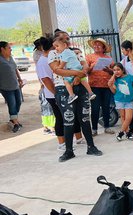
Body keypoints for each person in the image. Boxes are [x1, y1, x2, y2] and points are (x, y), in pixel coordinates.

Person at [49, 30, 102, 162]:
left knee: (84, 118)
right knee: (68, 120)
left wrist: (80, 75)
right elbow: (57, 70)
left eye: (68, 38)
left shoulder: (74, 52)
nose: (68, 40)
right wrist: (78, 74)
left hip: (80, 87)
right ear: (58, 40)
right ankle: (69, 151)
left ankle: (91, 146)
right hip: (63, 89)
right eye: (64, 38)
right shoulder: (53, 53)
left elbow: (84, 65)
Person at [36, 36, 85, 151]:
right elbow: (47, 81)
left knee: (72, 115)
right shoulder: (43, 62)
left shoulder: (59, 55)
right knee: (60, 118)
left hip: (66, 90)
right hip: (54, 95)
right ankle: (61, 143)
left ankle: (78, 138)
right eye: (56, 46)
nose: (58, 48)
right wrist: (57, 95)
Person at [52, 37, 95, 104]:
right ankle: (91, 93)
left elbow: (63, 63)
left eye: (57, 46)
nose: (56, 48)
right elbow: (74, 52)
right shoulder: (70, 51)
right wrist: (78, 51)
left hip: (72, 70)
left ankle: (72, 95)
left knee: (66, 82)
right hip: (79, 68)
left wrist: (59, 67)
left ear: (65, 45)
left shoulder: (64, 53)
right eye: (55, 47)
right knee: (83, 80)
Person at [86, 38, 115, 136]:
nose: (96, 46)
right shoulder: (89, 57)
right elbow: (86, 72)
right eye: (95, 45)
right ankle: (94, 129)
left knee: (106, 106)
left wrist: (108, 71)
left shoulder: (108, 58)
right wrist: (91, 67)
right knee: (95, 108)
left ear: (103, 47)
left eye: (99, 45)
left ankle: (107, 127)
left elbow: (114, 72)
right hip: (94, 86)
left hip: (106, 85)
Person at [108, 63, 133, 141]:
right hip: (119, 100)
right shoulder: (116, 80)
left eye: (118, 70)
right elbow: (114, 91)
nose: (116, 72)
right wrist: (112, 79)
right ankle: (128, 133)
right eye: (114, 70)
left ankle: (121, 132)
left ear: (122, 70)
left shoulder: (130, 77)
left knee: (129, 117)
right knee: (123, 117)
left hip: (129, 100)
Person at [0, 41, 24, 133]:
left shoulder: (10, 58)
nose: (11, 49)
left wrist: (19, 78)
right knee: (12, 104)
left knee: (18, 102)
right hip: (5, 87)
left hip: (15, 85)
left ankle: (13, 119)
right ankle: (15, 123)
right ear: (2, 49)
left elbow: (15, 69)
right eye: (9, 48)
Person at [120, 40, 133, 137]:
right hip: (131, 88)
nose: (122, 51)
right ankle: (132, 129)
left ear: (128, 49)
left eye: (123, 49)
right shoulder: (124, 61)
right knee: (131, 108)